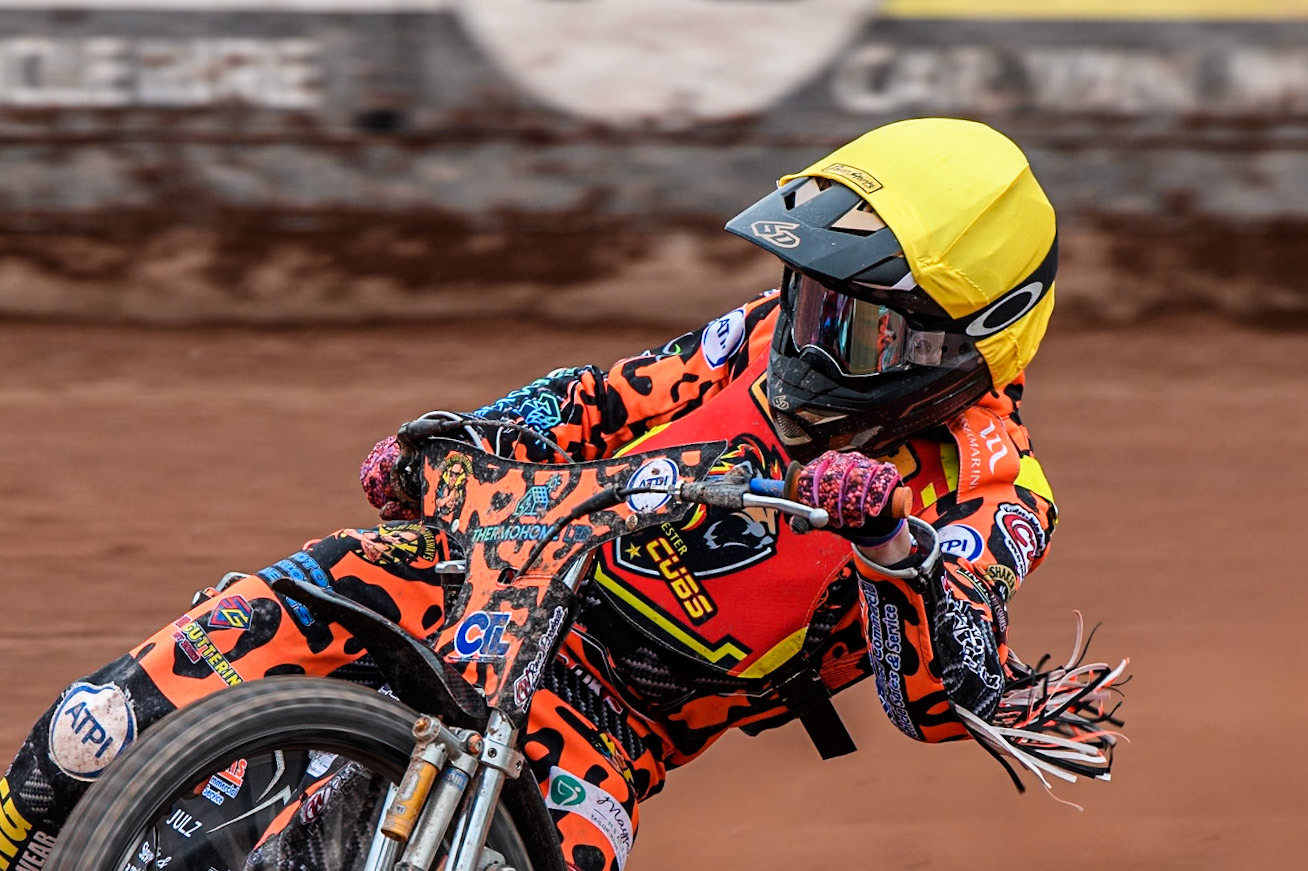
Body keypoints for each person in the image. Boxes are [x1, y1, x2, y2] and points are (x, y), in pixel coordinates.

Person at [1, 118, 1124, 871]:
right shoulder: (755, 337)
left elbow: (944, 692)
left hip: (605, 723)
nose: (807, 337)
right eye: (810, 298)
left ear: (963, 343)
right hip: (453, 580)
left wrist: (894, 543)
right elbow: (594, 398)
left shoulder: (993, 488)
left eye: (858, 323)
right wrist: (456, 436)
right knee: (86, 737)